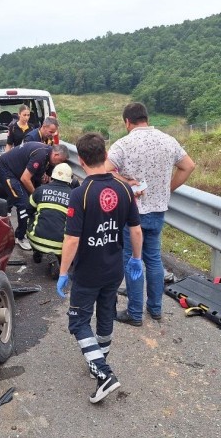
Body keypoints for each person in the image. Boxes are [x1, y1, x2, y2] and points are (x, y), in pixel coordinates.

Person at [56, 132, 143, 403]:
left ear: (80, 160)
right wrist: (136, 258)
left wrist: (62, 273)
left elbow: (72, 239)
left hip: (88, 272)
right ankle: (98, 359)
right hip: (114, 268)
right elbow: (136, 230)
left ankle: (104, 374)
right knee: (105, 315)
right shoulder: (124, 189)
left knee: (78, 321)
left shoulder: (80, 194)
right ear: (105, 156)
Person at [105, 102, 195, 326]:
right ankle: (155, 309)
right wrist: (168, 189)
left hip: (130, 213)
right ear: (146, 118)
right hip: (157, 210)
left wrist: (125, 181)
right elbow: (188, 166)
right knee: (154, 260)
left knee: (132, 260)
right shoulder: (168, 140)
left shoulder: (124, 144)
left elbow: (104, 169)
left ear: (127, 121)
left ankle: (135, 313)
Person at [0, 141, 69, 251]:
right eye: (60, 161)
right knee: (24, 204)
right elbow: (25, 179)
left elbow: (45, 179)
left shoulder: (49, 158)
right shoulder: (41, 154)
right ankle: (20, 237)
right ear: (56, 155)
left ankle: (28, 230)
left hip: (18, 173)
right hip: (5, 170)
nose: (59, 164)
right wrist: (36, 195)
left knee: (30, 200)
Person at [26, 162, 73, 277]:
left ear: (52, 176)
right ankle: (58, 257)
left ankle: (37, 250)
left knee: (32, 217)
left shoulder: (40, 190)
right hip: (60, 245)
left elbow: (28, 210)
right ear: (69, 179)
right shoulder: (74, 196)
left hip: (36, 240)